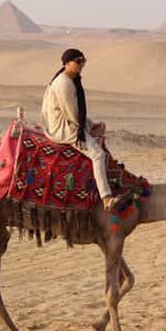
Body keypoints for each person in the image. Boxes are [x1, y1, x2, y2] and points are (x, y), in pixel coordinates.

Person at [40, 48, 118, 211]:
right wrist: (87, 130)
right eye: (78, 61)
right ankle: (106, 197)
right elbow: (72, 115)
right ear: (67, 63)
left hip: (68, 121)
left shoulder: (70, 79)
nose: (82, 65)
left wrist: (91, 124)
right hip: (64, 128)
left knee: (98, 129)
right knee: (98, 154)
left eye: (83, 61)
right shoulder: (64, 83)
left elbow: (77, 112)